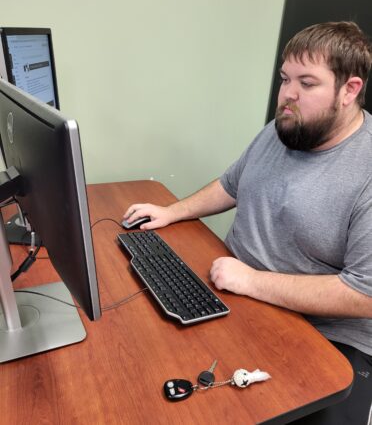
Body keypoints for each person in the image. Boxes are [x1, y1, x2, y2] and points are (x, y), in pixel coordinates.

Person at [123, 22, 372, 425]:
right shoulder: (284, 128)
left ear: (350, 89)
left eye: (308, 83)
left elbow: (365, 295)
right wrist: (174, 211)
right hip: (236, 294)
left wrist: (251, 281)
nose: (288, 95)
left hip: (326, 338)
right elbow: (232, 184)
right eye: (285, 78)